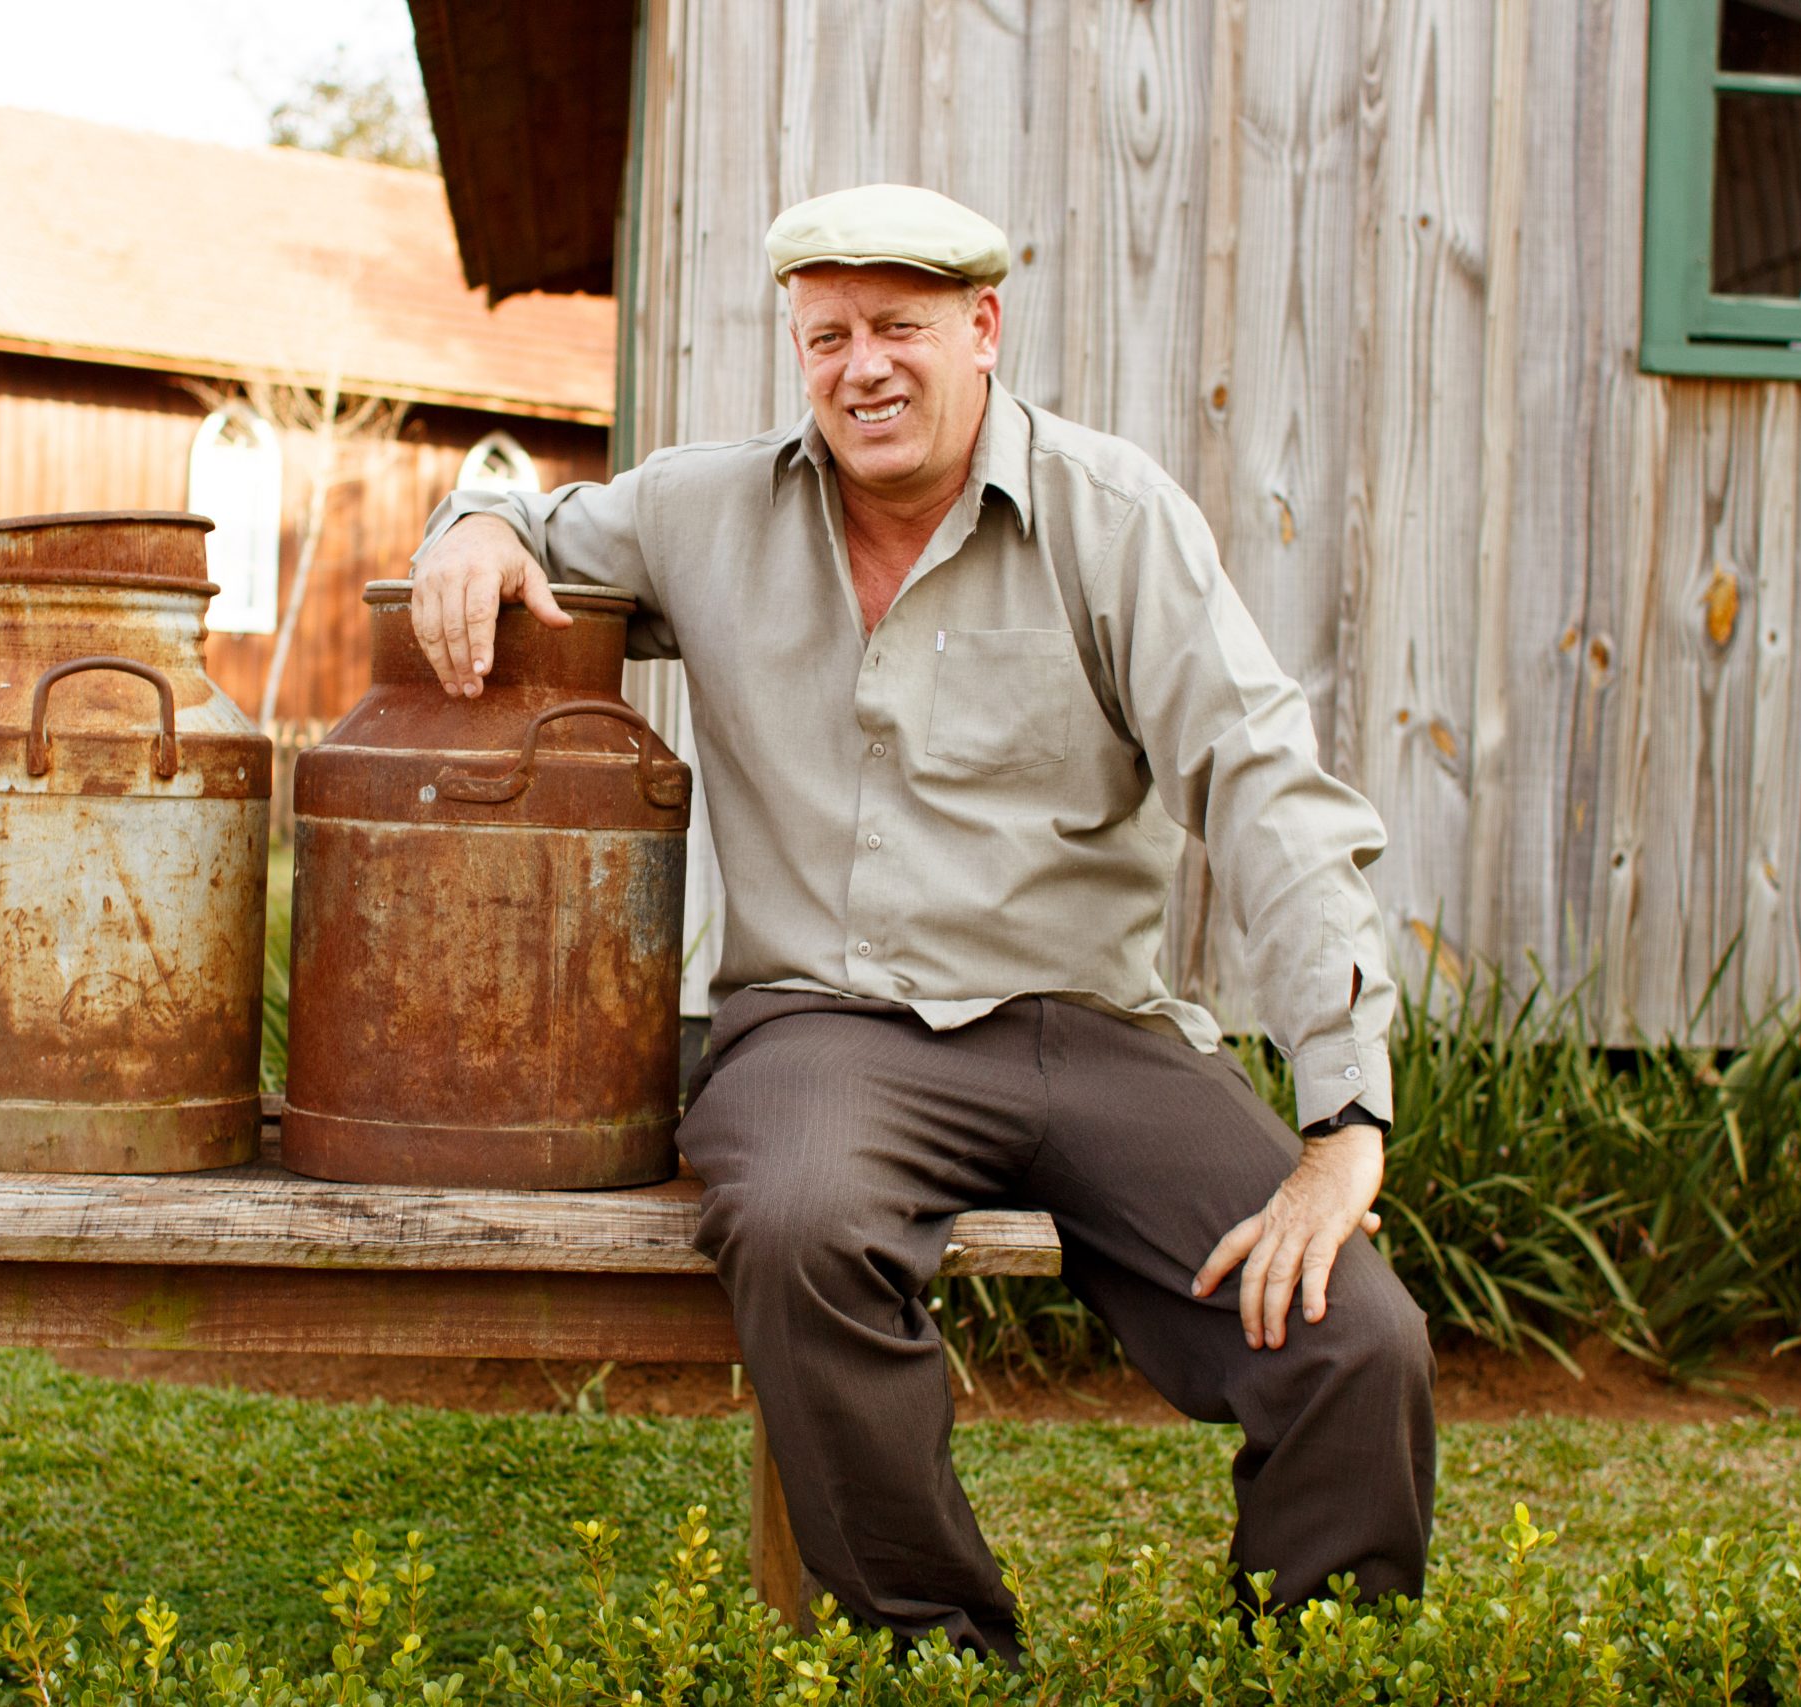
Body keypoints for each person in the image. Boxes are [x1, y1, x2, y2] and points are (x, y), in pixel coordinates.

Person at [408, 185, 1434, 1661]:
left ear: (982, 330)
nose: (863, 366)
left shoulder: (1114, 517)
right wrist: (471, 524)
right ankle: (943, 1661)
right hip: (829, 1029)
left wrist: (1343, 1125)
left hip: (1092, 1033)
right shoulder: (707, 510)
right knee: (798, 1222)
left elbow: (1270, 793)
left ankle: (1319, 1669)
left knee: (1358, 1336)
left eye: (900, 327)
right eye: (827, 335)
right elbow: (523, 511)